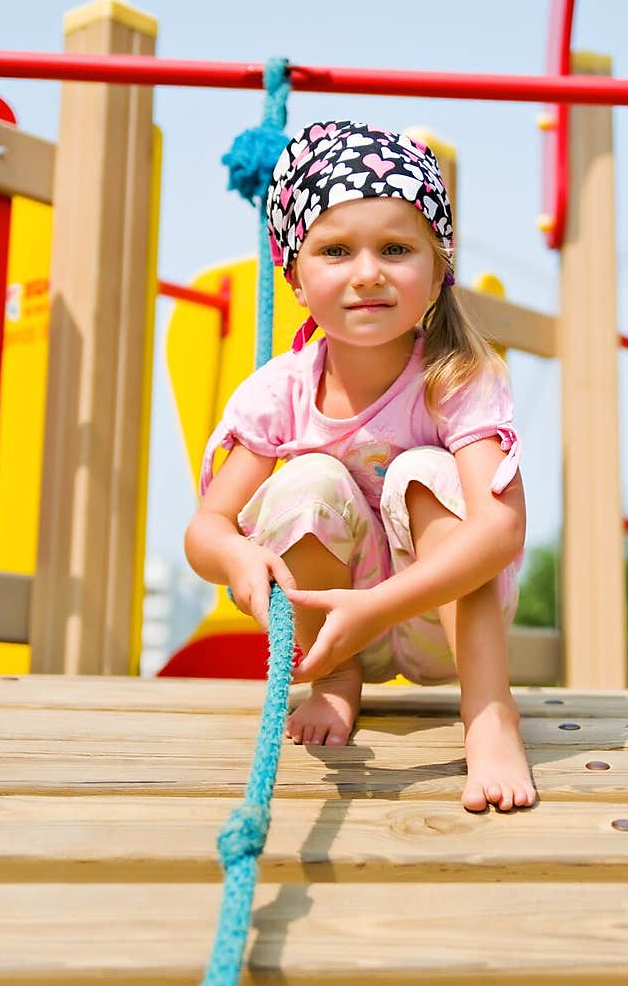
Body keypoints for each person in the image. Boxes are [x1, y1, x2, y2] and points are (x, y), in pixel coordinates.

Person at [185, 121, 535, 813]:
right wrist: (234, 558)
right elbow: (208, 525)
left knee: (424, 474)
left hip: (441, 626)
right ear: (294, 275)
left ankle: (490, 712)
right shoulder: (280, 391)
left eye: (396, 248)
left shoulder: (457, 376)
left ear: (437, 273)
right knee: (305, 481)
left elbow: (500, 530)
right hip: (334, 632)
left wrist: (376, 606)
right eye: (337, 250)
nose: (367, 271)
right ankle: (336, 681)